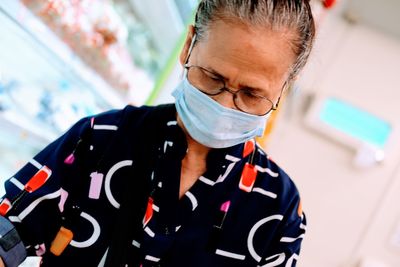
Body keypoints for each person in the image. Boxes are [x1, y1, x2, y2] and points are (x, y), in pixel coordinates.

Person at [0, 0, 315, 266]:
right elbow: (8, 231)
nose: (223, 105)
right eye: (212, 77)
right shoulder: (102, 139)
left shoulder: (277, 208)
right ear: (189, 45)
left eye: (250, 94)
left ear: (284, 88)